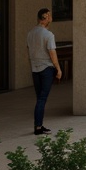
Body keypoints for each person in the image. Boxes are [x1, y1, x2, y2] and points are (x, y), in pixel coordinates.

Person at [26, 8, 61, 136]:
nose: (51, 18)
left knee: (39, 98)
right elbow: (52, 53)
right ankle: (38, 127)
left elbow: (29, 50)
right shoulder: (48, 35)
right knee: (42, 98)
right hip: (46, 69)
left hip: (35, 69)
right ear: (45, 17)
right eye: (50, 16)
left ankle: (38, 124)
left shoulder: (30, 33)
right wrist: (58, 69)